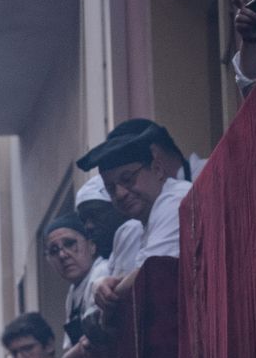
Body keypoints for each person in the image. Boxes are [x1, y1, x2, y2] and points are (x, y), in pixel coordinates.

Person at [77, 125, 192, 314]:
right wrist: (103, 284)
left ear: (157, 169)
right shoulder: (141, 224)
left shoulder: (175, 200)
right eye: (111, 188)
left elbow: (149, 273)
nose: (120, 194)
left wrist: (109, 294)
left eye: (128, 178)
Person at [43, 213, 99, 347]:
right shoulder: (73, 292)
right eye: (54, 250)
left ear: (91, 246)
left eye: (69, 244)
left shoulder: (101, 274)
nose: (62, 255)